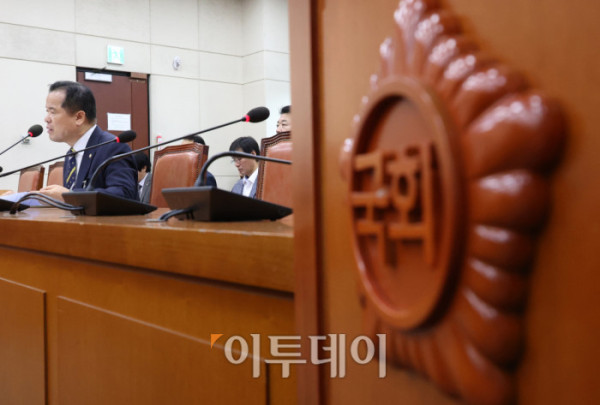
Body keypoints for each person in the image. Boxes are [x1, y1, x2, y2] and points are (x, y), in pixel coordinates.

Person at [39, 81, 138, 202]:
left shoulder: (113, 148)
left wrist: (70, 195)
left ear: (79, 117)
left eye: (52, 112)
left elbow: (124, 194)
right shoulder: (71, 154)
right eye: (47, 111)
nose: (46, 119)